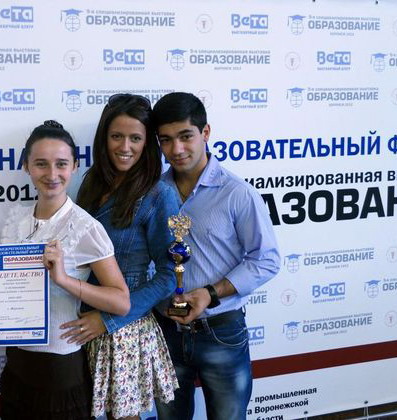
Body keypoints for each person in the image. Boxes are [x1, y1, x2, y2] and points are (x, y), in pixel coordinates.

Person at [0, 120, 131, 420]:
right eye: (41, 164)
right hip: (17, 364)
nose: (52, 174)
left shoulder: (86, 227)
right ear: (26, 166)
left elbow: (121, 302)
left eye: (61, 164)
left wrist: (64, 279)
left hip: (61, 370)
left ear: (75, 166)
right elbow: (8, 293)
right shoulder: (15, 222)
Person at [151, 92, 282, 420]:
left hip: (221, 331)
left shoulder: (237, 193)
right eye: (166, 140)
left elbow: (266, 259)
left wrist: (209, 293)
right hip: (165, 331)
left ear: (205, 132)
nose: (176, 149)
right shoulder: (153, 193)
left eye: (186, 136)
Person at [58, 94, 180, 419]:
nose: (125, 147)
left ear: (147, 142)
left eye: (135, 138)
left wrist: (108, 320)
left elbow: (170, 275)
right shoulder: (92, 183)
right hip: (80, 322)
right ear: (104, 138)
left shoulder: (159, 194)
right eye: (116, 136)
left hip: (123, 329)